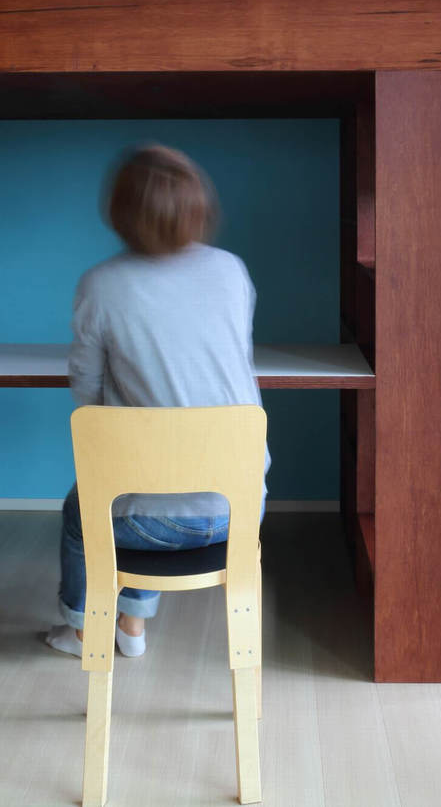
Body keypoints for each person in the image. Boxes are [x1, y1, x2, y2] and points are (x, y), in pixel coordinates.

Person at [46, 144, 270, 659]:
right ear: (200, 207)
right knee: (144, 482)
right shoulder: (230, 271)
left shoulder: (101, 284)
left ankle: (85, 631)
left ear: (119, 211)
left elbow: (86, 392)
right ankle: (131, 625)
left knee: (89, 506)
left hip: (148, 521)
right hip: (240, 506)